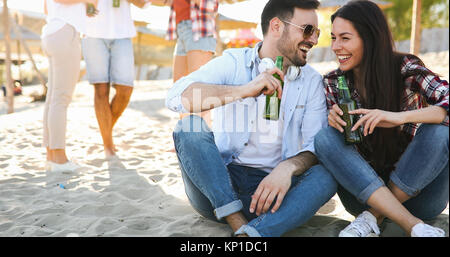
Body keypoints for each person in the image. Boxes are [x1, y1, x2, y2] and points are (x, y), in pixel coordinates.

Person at [166, 0, 337, 237]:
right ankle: (237, 222)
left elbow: (314, 146)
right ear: (276, 26)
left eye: (316, 32)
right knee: (189, 126)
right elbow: (176, 96)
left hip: (275, 192)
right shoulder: (234, 62)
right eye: (308, 30)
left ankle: (252, 235)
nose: (315, 39)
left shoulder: (311, 82)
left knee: (327, 175)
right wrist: (243, 90)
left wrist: (288, 168)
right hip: (218, 187)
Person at [314, 0, 448, 237]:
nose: (335, 46)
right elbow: (334, 151)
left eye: (345, 38)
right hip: (363, 194)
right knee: (325, 137)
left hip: (420, 195)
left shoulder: (405, 68)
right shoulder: (333, 82)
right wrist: (330, 120)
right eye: (333, 38)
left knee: (440, 131)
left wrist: (398, 117)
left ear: (371, 38)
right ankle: (408, 224)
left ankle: (375, 216)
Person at [81, 0, 147, 158]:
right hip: (92, 32)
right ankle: (107, 143)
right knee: (101, 89)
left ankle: (106, 130)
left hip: (122, 34)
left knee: (126, 89)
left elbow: (143, 3)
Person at [42, 0, 98, 172]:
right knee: (60, 99)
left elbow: (47, 7)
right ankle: (59, 159)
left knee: (53, 99)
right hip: (65, 32)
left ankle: (52, 155)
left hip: (53, 31)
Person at [149, 0, 218, 127]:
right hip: (181, 30)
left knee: (197, 91)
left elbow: (211, 5)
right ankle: (185, 140)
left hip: (199, 28)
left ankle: (201, 140)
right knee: (179, 91)